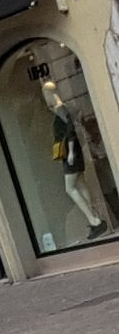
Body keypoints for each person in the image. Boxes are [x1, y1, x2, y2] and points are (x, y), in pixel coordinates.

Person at [41, 80, 107, 241]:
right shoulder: (63, 107)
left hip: (71, 152)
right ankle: (95, 218)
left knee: (69, 188)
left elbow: (70, 129)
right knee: (81, 183)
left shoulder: (59, 108)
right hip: (74, 150)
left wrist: (70, 152)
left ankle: (94, 220)